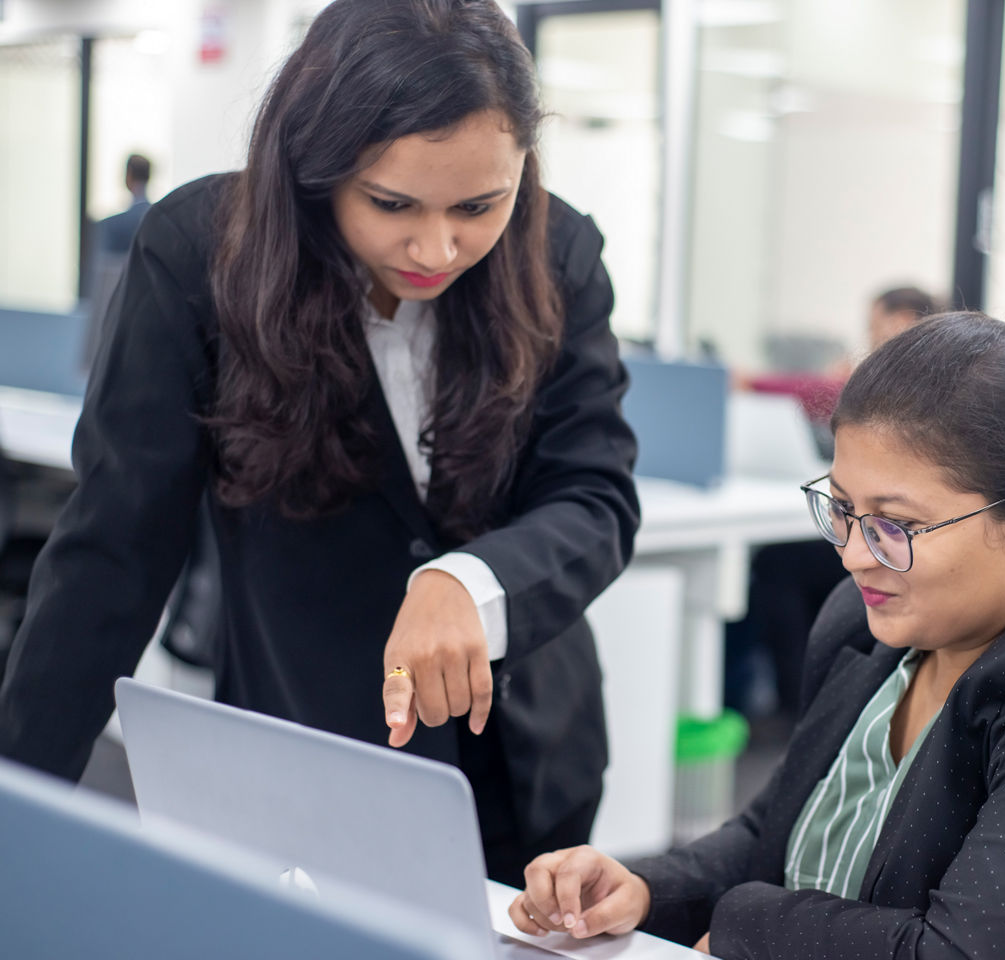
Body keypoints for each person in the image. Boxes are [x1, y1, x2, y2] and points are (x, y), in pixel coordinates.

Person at [0, 0, 639, 887]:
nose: (437, 246)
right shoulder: (201, 258)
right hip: (305, 753)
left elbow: (596, 497)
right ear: (316, 165)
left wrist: (470, 581)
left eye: (478, 205)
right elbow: (115, 551)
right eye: (391, 203)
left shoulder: (558, 251)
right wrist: (20, 805)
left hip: (526, 759)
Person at [508, 312, 1005, 958]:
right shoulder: (875, 625)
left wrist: (746, 923)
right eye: (842, 509)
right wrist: (645, 888)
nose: (856, 552)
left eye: (899, 525)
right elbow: (782, 826)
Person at [724, 284, 940, 723]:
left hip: (899, 541)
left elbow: (817, 390)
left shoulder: (913, 387)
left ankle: (797, 706)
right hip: (884, 531)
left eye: (878, 329)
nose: (872, 340)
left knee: (778, 567)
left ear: (901, 324)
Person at [83, 153, 154, 365]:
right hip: (147, 320)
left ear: (128, 176)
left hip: (115, 316)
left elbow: (101, 283)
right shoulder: (160, 220)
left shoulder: (111, 226)